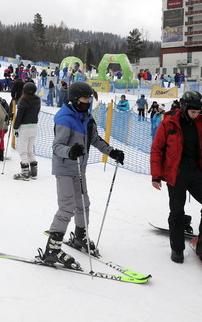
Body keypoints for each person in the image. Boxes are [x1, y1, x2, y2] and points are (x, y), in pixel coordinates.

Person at [41, 82, 124, 269]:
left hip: (80, 168)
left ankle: (80, 237)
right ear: (75, 99)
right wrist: (70, 152)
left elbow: (95, 139)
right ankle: (52, 250)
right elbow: (56, 147)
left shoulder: (87, 118)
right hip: (64, 168)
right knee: (67, 207)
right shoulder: (64, 118)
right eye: (85, 99)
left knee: (83, 204)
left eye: (89, 99)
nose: (88, 102)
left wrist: (112, 152)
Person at [150, 91, 202, 263]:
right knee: (177, 211)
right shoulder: (168, 123)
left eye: (198, 111)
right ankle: (177, 249)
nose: (196, 114)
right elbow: (157, 149)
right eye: (193, 112)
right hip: (175, 174)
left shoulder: (199, 122)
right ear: (184, 108)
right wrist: (156, 175)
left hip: (195, 172)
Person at [12, 82, 41, 180]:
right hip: (34, 127)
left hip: (24, 128)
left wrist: (15, 128)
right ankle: (34, 173)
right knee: (29, 150)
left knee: (22, 151)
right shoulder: (37, 100)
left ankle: (25, 173)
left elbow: (19, 116)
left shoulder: (23, 101)